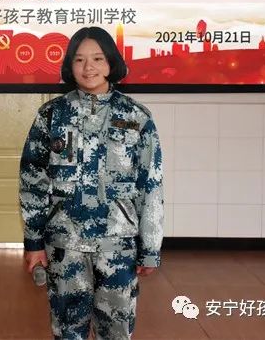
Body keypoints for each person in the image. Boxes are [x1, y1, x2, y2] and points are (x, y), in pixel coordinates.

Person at [19, 26, 163, 339]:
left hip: (118, 245)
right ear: (69, 65)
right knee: (68, 331)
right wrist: (34, 242)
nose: (88, 67)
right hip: (65, 245)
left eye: (97, 58)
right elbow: (32, 181)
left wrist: (150, 248)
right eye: (79, 60)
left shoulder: (136, 116)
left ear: (111, 62)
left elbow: (150, 185)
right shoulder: (51, 115)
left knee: (116, 331)